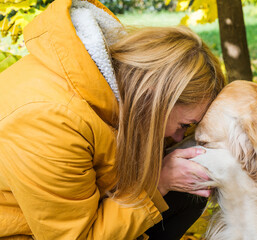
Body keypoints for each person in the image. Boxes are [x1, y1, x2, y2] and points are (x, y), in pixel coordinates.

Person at [0, 0, 225, 239]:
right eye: (184, 125)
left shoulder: (112, 84)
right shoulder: (51, 122)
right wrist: (159, 183)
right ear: (154, 96)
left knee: (189, 188)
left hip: (85, 212)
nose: (180, 137)